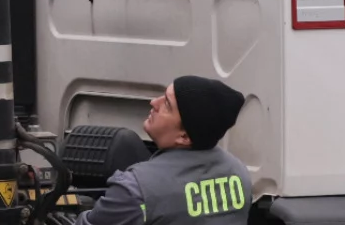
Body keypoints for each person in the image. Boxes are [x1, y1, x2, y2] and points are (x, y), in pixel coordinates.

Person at [78, 76, 251, 225]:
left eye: (167, 104)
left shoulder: (136, 190)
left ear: (184, 136)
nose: (154, 102)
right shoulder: (240, 173)